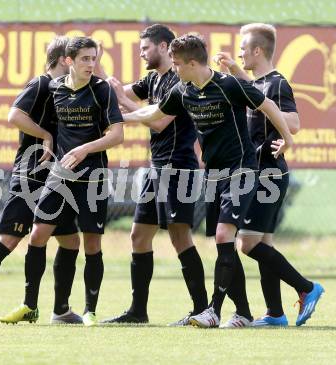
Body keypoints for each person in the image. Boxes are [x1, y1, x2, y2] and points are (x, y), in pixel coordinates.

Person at [122, 33, 294, 328]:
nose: (173, 68)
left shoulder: (228, 85)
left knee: (226, 236)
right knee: (222, 242)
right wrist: (120, 117)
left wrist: (287, 139)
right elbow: (156, 112)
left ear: (192, 62)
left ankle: (212, 309)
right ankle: (242, 312)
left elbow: (267, 105)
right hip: (213, 174)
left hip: (241, 169)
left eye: (177, 64)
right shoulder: (182, 89)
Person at [0, 36, 83, 326]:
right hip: (31, 174)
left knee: (70, 240)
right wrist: (45, 135)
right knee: (10, 239)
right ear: (65, 60)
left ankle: (60, 310)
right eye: (76, 57)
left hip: (56, 177)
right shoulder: (40, 84)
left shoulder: (67, 90)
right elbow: (14, 115)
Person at [1, 36, 124, 327]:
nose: (91, 64)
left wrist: (83, 149)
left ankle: (90, 311)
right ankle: (30, 306)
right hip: (60, 176)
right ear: (68, 61)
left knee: (91, 243)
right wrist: (46, 140)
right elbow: (32, 119)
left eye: (94, 59)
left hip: (92, 176)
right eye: (85, 59)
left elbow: (117, 135)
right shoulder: (55, 88)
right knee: (37, 235)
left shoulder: (102, 90)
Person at [215, 23, 324, 327]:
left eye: (243, 48)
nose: (240, 51)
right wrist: (235, 68)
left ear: (258, 50)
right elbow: (254, 92)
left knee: (247, 244)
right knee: (264, 245)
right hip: (262, 172)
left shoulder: (276, 84)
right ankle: (275, 313)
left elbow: (294, 121)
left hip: (268, 174)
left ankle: (307, 287)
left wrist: (279, 125)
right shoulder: (258, 83)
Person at [98, 24, 208, 325]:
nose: (141, 53)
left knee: (179, 236)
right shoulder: (152, 79)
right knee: (139, 234)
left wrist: (127, 104)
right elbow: (115, 95)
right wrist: (98, 70)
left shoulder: (179, 79)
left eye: (145, 48)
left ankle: (202, 309)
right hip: (155, 168)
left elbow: (159, 122)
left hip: (177, 166)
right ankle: (138, 311)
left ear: (163, 47)